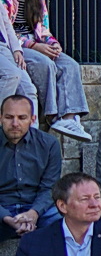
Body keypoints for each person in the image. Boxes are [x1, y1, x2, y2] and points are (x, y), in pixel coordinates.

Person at [5, 0, 92, 140]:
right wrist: (34, 46)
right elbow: (5, 32)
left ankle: (69, 117)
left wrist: (52, 43)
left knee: (70, 64)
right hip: (14, 46)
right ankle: (53, 116)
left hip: (37, 43)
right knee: (44, 63)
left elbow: (43, 29)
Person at [0, 95, 60, 240]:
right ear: (0, 118)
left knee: (65, 223)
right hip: (2, 207)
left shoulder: (49, 144)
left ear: (32, 120)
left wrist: (33, 213)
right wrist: (7, 218)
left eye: (22, 117)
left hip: (37, 208)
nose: (15, 123)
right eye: (9, 117)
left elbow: (49, 187)